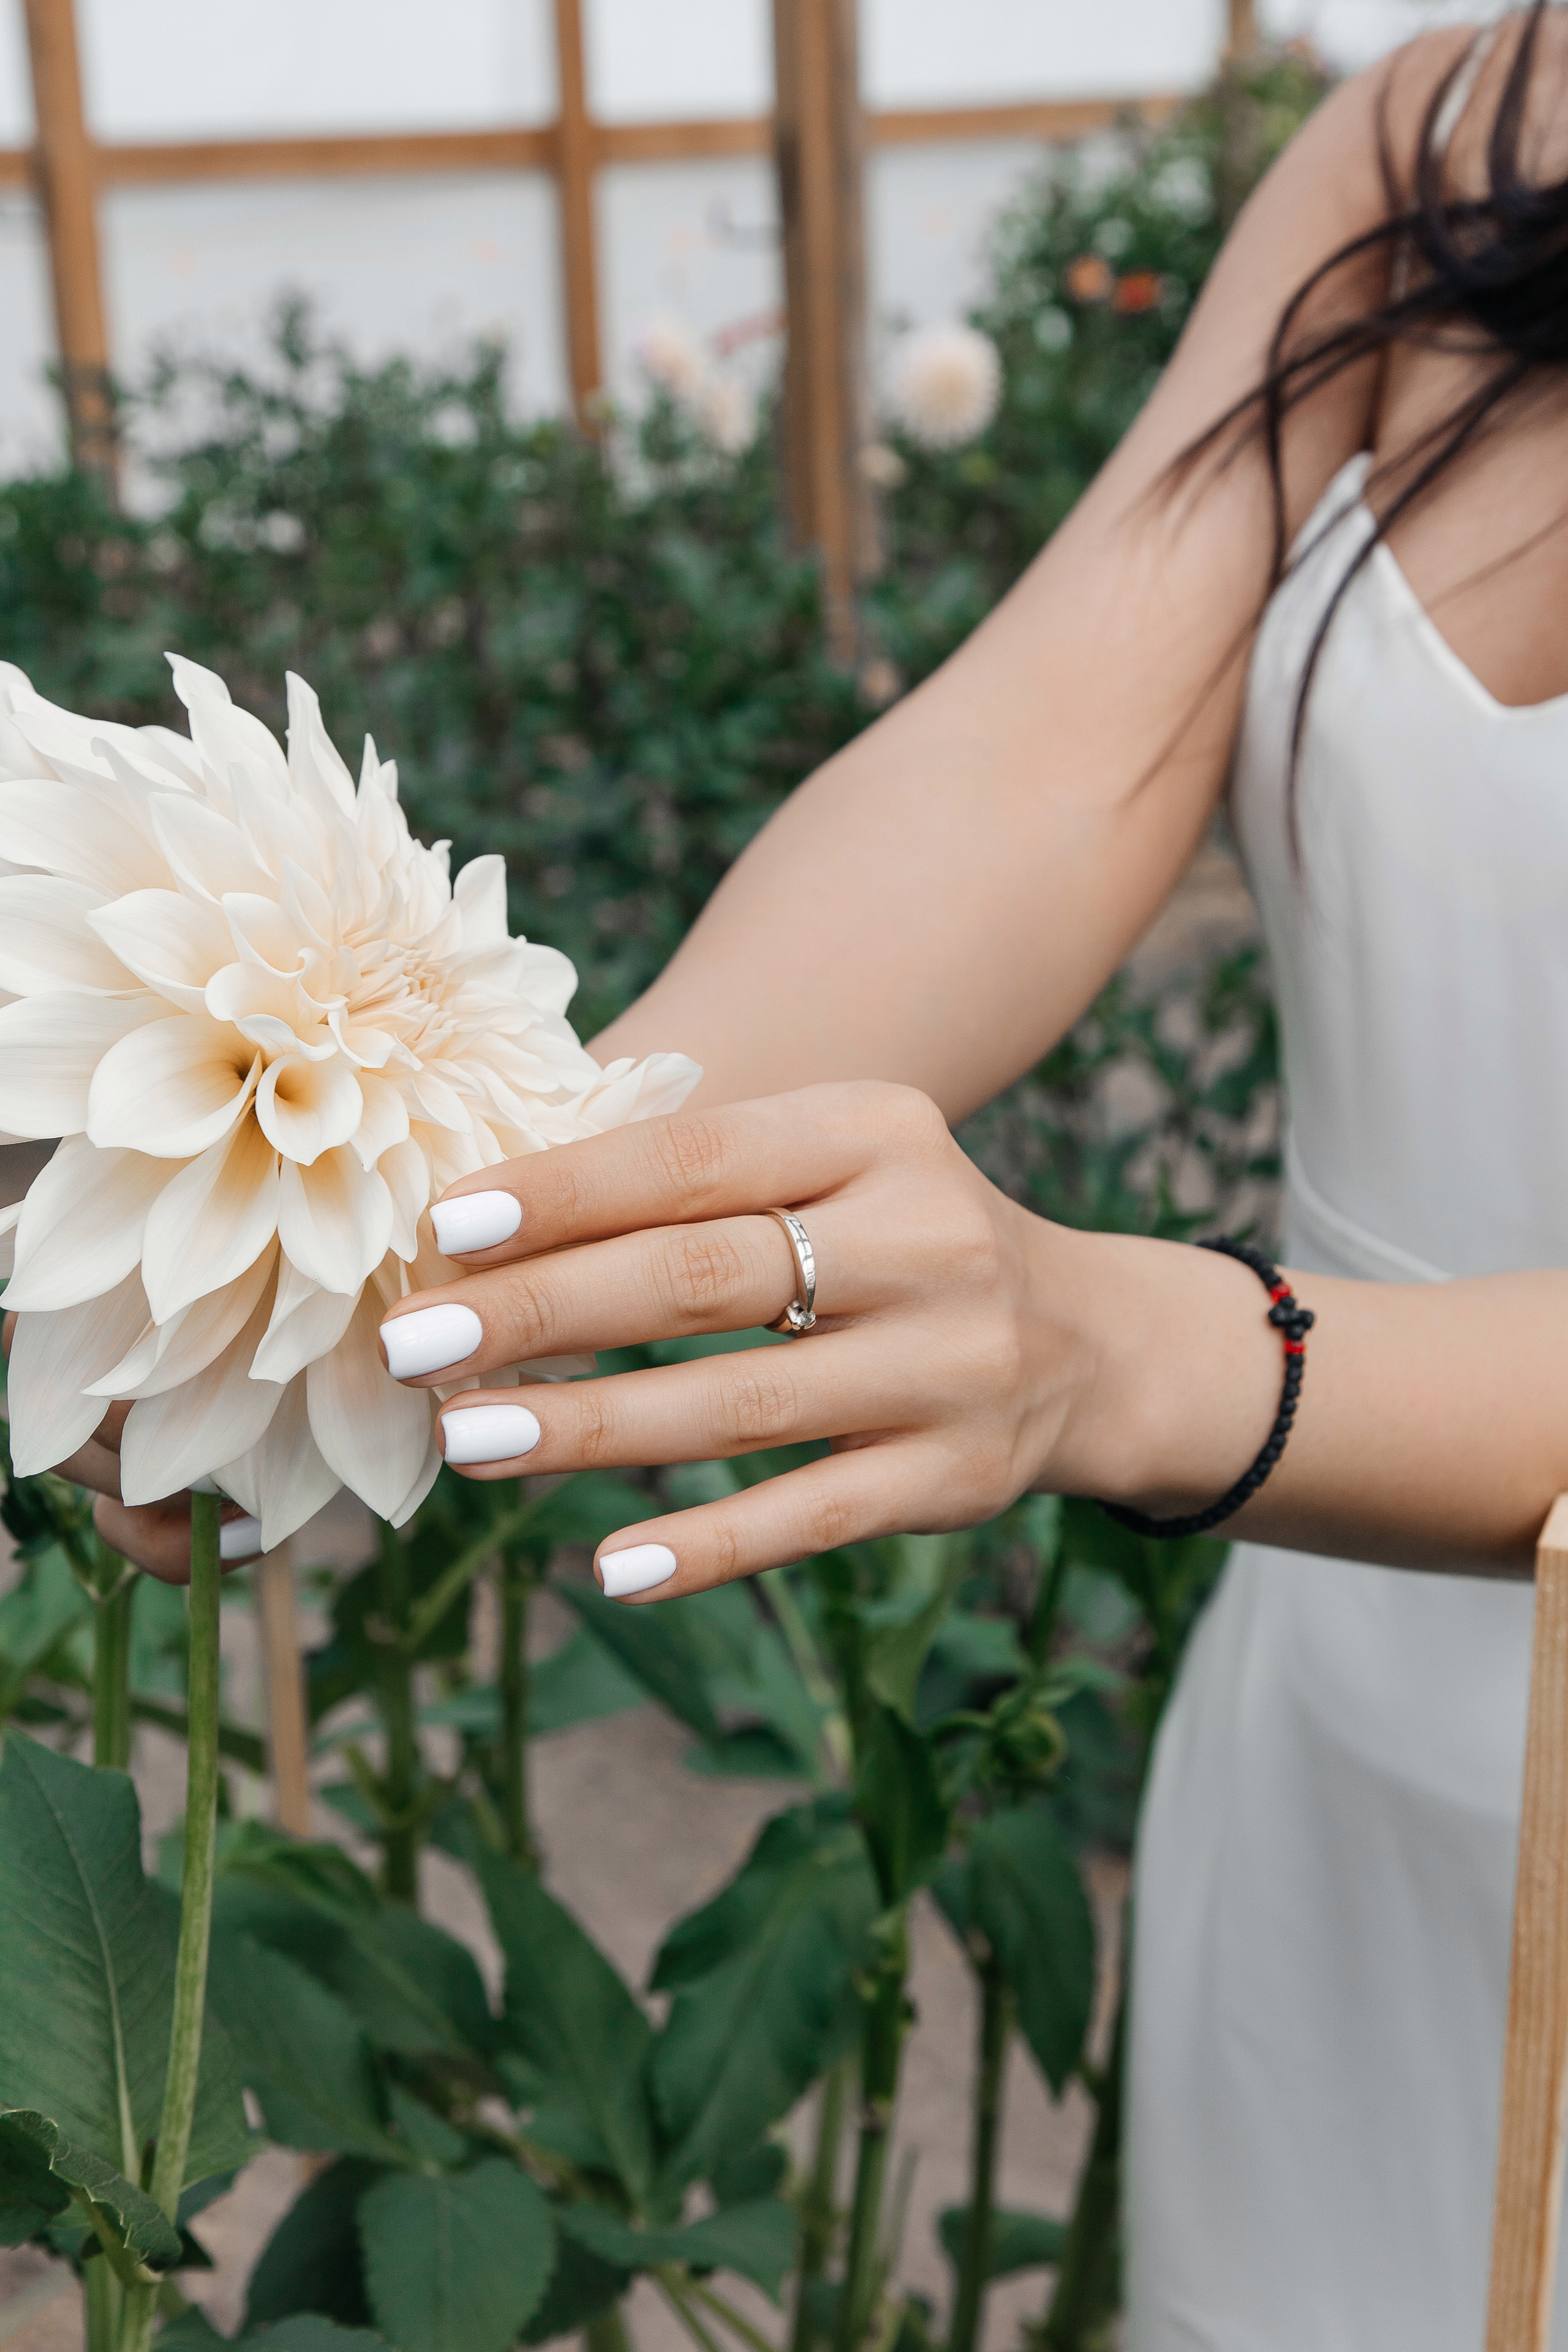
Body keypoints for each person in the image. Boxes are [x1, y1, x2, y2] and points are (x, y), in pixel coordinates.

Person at [21, 9, 1568, 2342]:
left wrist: (1134, 1351)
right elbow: (1054, 754)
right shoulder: (1462, 121)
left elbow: (1140, 1339)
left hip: (1291, 1451)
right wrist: (464, 1208)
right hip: (1338, 1710)